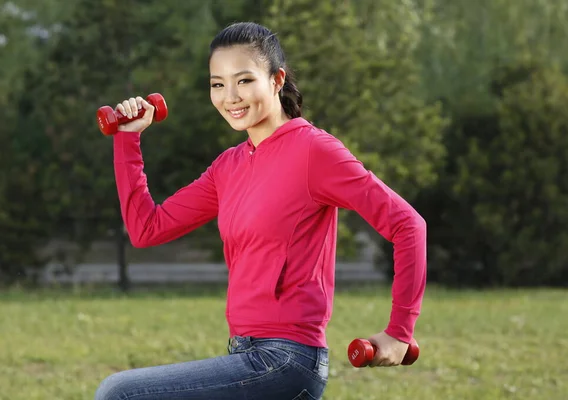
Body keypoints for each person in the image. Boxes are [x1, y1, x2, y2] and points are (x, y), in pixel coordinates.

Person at [94, 21, 427, 400]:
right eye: (217, 84)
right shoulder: (228, 166)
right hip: (243, 353)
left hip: (286, 362)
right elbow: (146, 228)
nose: (230, 97)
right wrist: (127, 137)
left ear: (276, 79)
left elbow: (407, 224)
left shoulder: (314, 152)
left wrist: (400, 331)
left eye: (244, 80)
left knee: (119, 393)